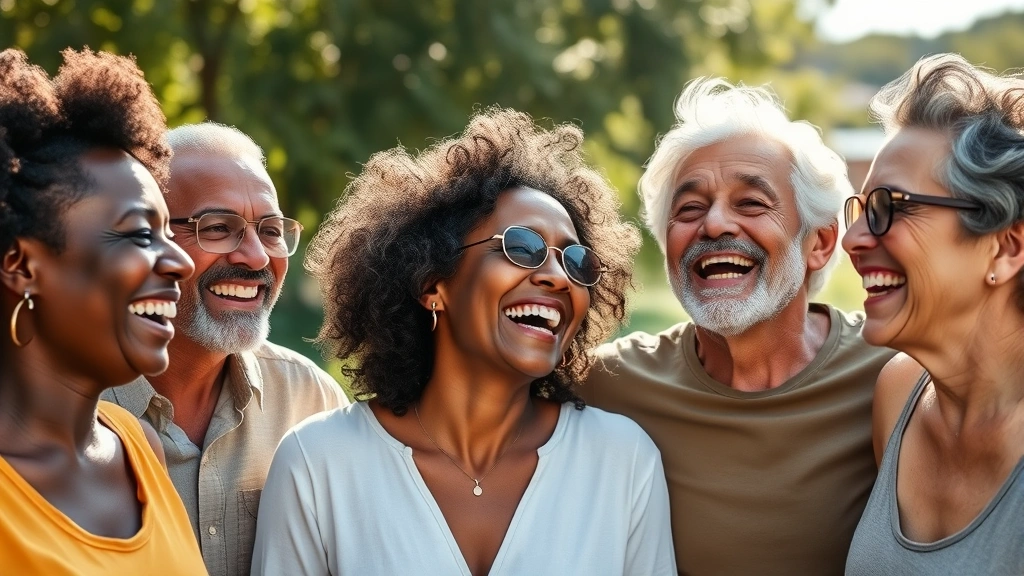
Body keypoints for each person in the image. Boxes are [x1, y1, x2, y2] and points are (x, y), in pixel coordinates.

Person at [252, 107, 675, 575]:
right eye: (523, 247)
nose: (557, 276)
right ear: (434, 284)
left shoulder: (624, 463)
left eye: (576, 261)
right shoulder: (317, 465)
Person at [579, 78, 897, 576]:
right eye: (689, 209)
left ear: (819, 241)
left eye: (751, 203)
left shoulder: (893, 376)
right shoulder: (606, 383)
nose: (714, 225)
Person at [101, 122, 348, 576]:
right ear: (146, 237)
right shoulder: (76, 407)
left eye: (271, 230)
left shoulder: (310, 402)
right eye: (218, 228)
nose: (255, 257)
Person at [0, 48, 206, 573]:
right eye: (140, 232)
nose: (182, 261)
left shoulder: (139, 448)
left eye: (168, 231)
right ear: (22, 266)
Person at [843, 54, 1024, 574]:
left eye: (890, 207)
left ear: (1006, 247)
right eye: (859, 210)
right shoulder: (898, 394)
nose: (854, 240)